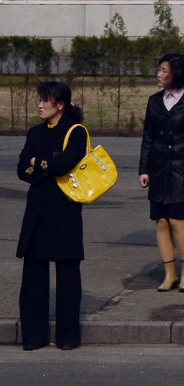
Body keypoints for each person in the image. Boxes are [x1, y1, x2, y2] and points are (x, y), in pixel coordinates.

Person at [16, 81, 88, 350]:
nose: (40, 104)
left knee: (68, 275)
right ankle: (34, 337)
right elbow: (22, 168)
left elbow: (63, 164)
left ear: (60, 105)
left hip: (65, 210)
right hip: (37, 210)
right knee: (33, 274)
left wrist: (40, 162)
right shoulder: (35, 132)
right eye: (40, 99)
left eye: (45, 100)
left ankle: (67, 337)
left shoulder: (75, 132)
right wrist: (41, 164)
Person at [139, 53, 184, 293]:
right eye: (159, 69)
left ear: (176, 73)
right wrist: (144, 169)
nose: (159, 74)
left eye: (165, 70)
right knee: (161, 222)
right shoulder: (154, 101)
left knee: (178, 221)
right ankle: (170, 274)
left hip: (181, 171)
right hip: (158, 170)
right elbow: (148, 137)